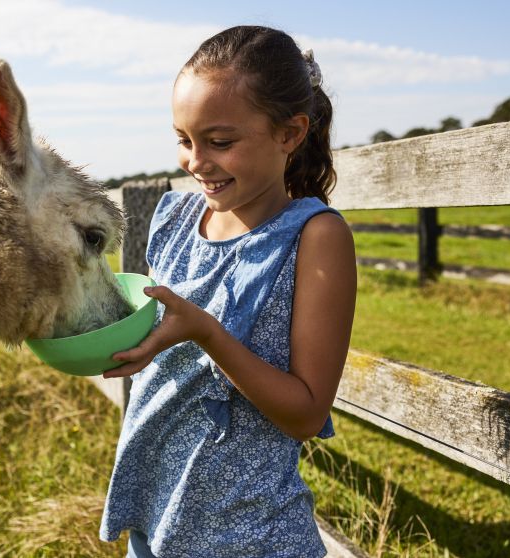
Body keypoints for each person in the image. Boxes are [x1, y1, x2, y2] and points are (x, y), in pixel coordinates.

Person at [99, 25, 357, 557]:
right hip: (158, 521)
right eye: (183, 139)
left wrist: (209, 335)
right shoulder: (173, 220)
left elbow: (307, 414)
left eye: (220, 142)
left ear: (289, 134)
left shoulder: (316, 237)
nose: (196, 161)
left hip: (249, 535)